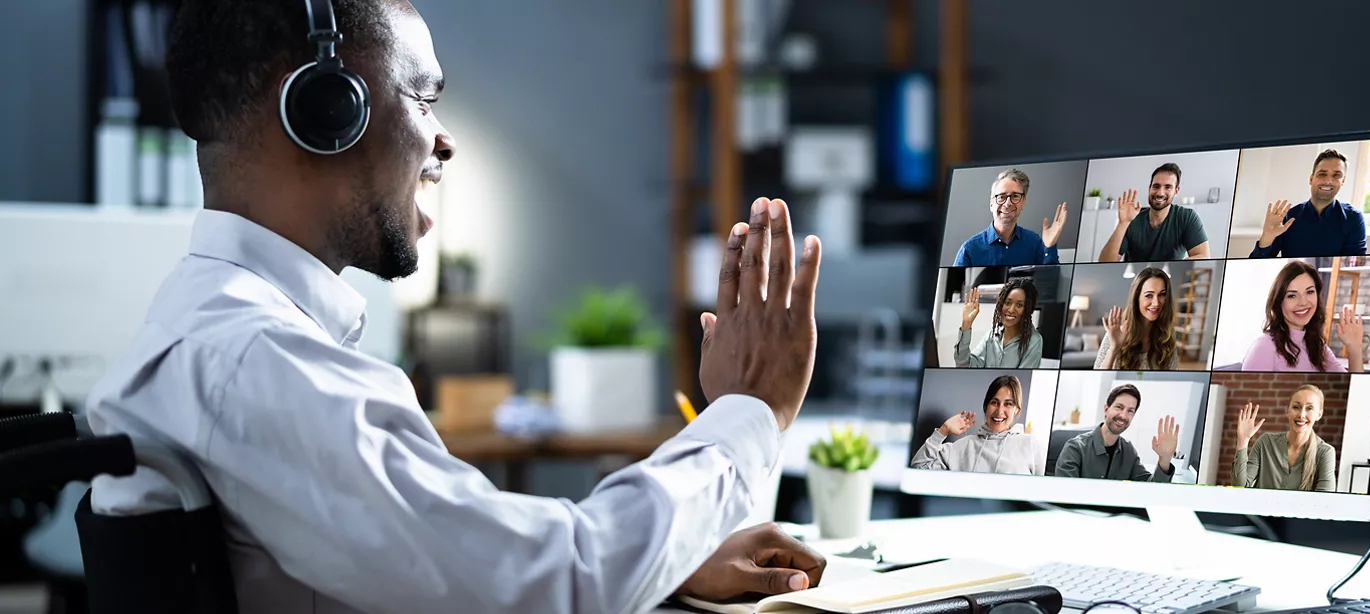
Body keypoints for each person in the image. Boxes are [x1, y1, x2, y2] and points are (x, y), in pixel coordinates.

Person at [82, 2, 827, 612]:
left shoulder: (219, 334)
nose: (445, 139)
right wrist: (751, 410)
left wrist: (669, 561)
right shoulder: (255, 364)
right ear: (321, 109)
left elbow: (494, 564)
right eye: (424, 97)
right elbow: (555, 585)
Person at [1240, 260, 1365, 373]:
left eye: (1310, 292)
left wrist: (1354, 349)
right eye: (1292, 295)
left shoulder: (1318, 346)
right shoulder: (1264, 347)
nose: (1303, 302)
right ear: (1279, 302)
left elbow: (1356, 387)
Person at [910, 375, 1044, 475]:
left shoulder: (1032, 445)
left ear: (1017, 410)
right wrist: (943, 431)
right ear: (986, 406)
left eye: (1008, 404)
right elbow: (918, 469)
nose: (999, 411)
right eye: (994, 402)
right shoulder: (963, 447)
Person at [1249, 149, 1369, 258]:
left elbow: (1353, 264)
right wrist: (1267, 237)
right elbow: (1254, 265)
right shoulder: (1288, 217)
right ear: (1311, 179)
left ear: (1343, 181)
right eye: (1322, 174)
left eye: (1336, 175)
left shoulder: (1353, 218)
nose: (1328, 180)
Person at [1053, 385, 1179, 482]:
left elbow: (1149, 490)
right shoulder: (1075, 448)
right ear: (1106, 409)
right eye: (1119, 407)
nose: (1123, 416)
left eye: (1130, 411)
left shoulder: (1128, 451)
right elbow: (1064, 495)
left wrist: (1165, 460)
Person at [953, 168, 1070, 266]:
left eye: (1015, 196)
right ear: (991, 204)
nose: (1008, 203)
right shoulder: (969, 250)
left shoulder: (1034, 243)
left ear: (1023, 202)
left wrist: (1049, 246)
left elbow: (1051, 283)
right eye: (1001, 196)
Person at [1230, 387, 1338, 492]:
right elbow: (1239, 487)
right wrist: (1242, 441)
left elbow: (1324, 500)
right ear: (1287, 411)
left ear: (1319, 414)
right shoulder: (1265, 442)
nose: (1301, 414)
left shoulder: (1325, 452)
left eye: (1309, 408)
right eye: (1296, 407)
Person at [1097, 163, 1211, 262]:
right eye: (1156, 186)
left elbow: (1203, 256)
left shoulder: (1187, 217)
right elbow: (1104, 262)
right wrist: (1123, 223)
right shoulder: (1133, 218)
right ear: (1149, 188)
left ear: (1176, 191)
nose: (1160, 193)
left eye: (1168, 187)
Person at [1095, 267, 1181, 370]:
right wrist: (1114, 348)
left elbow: (1173, 374)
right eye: (1149, 295)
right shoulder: (1116, 332)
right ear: (1136, 297)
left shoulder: (1168, 333)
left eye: (1162, 294)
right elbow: (1097, 378)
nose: (1156, 303)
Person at [954, 278, 1045, 368]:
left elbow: (1019, 379)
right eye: (1007, 303)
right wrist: (966, 324)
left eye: (1019, 305)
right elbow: (963, 365)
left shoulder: (1034, 341)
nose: (1011, 310)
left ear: (1028, 310)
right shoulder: (991, 335)